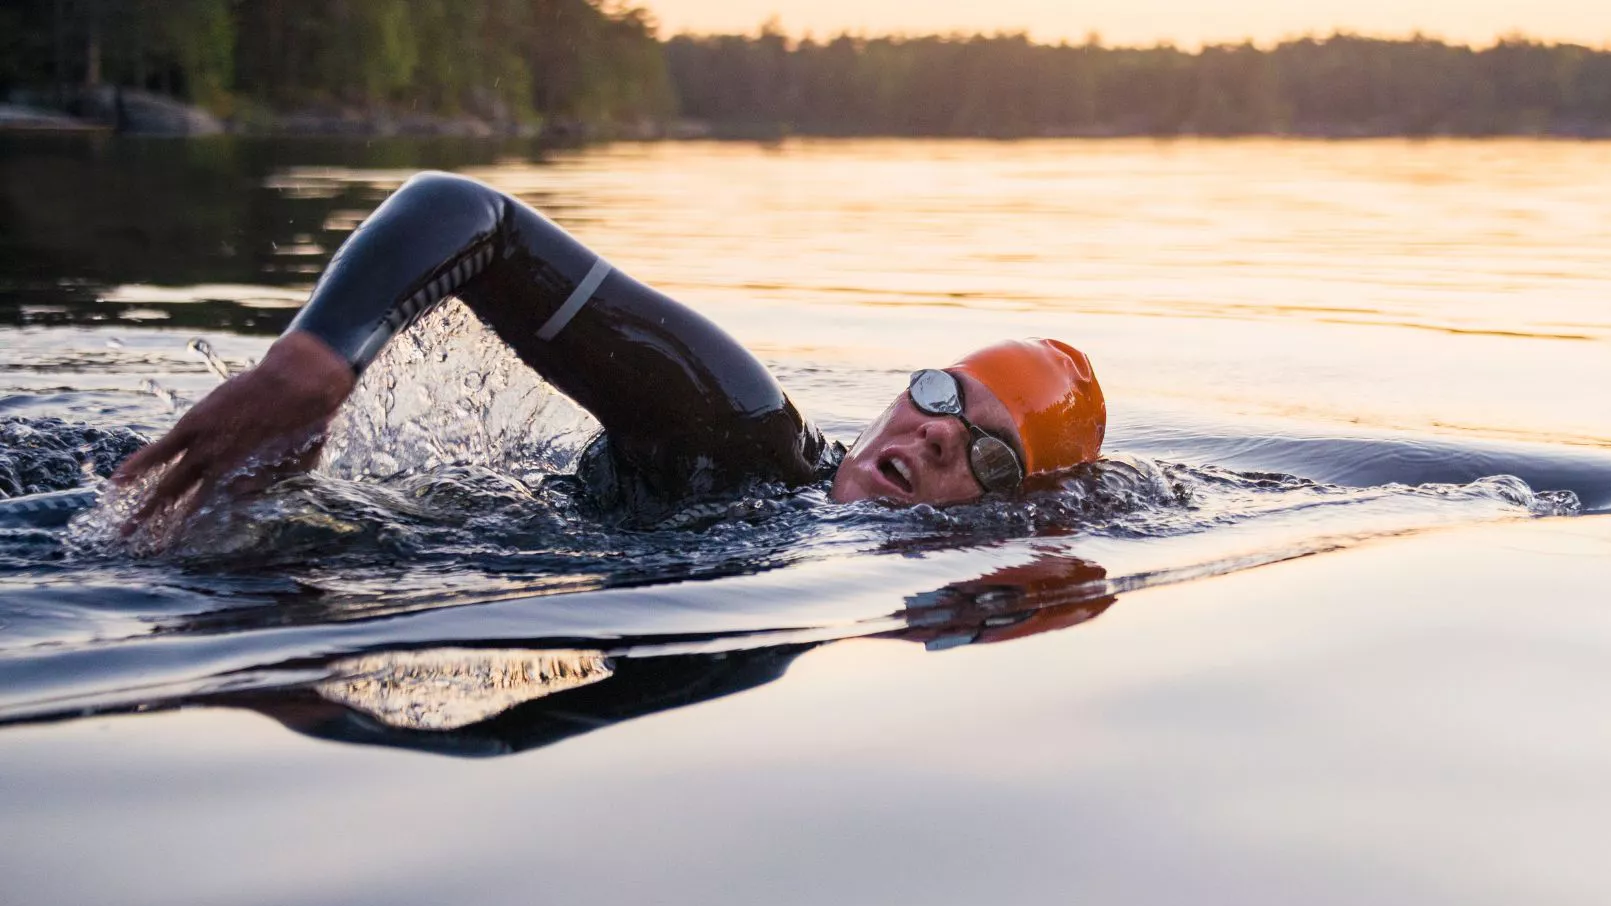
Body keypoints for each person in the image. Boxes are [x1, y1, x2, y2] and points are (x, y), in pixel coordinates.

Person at [111, 171, 1107, 527]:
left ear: (1008, 508)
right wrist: (315, 363)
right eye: (943, 394)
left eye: (984, 454)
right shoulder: (740, 428)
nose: (936, 438)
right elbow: (475, 217)